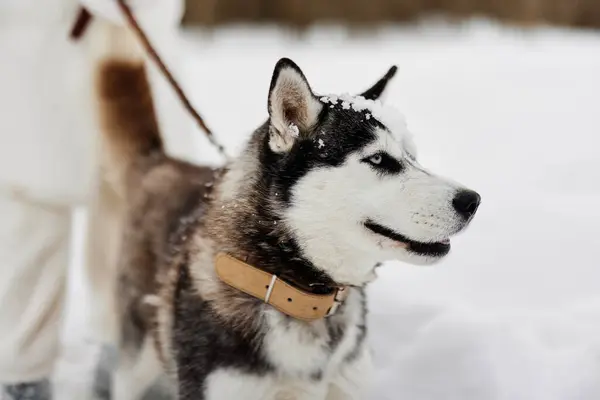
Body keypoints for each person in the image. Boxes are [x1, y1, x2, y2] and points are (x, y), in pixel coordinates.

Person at [0, 1, 196, 398]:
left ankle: (124, 350)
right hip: (39, 54)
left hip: (129, 54)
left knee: (132, 211)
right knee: (34, 222)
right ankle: (24, 368)